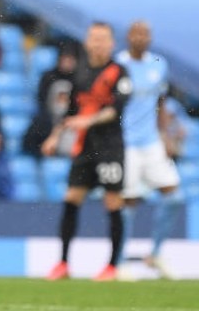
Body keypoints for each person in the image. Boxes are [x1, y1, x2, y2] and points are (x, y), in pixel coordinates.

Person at [43, 22, 130, 282]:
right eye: (94, 38)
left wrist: (87, 121)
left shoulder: (119, 72)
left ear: (112, 43)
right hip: (84, 148)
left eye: (103, 39)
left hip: (110, 148)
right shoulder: (79, 73)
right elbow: (71, 111)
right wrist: (55, 136)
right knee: (71, 199)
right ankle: (63, 264)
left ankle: (112, 267)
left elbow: (116, 110)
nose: (98, 43)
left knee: (113, 203)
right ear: (87, 42)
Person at [116, 21, 182, 279]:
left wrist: (165, 136)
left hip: (152, 141)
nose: (142, 38)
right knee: (128, 202)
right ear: (129, 36)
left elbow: (160, 102)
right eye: (137, 33)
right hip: (126, 143)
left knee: (174, 196)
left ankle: (155, 253)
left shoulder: (159, 64)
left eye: (146, 34)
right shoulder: (118, 65)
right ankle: (120, 260)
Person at [22, 41, 80, 158]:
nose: (67, 62)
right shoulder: (48, 77)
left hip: (69, 122)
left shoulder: (79, 80)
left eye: (70, 59)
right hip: (48, 120)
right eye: (65, 58)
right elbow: (42, 101)